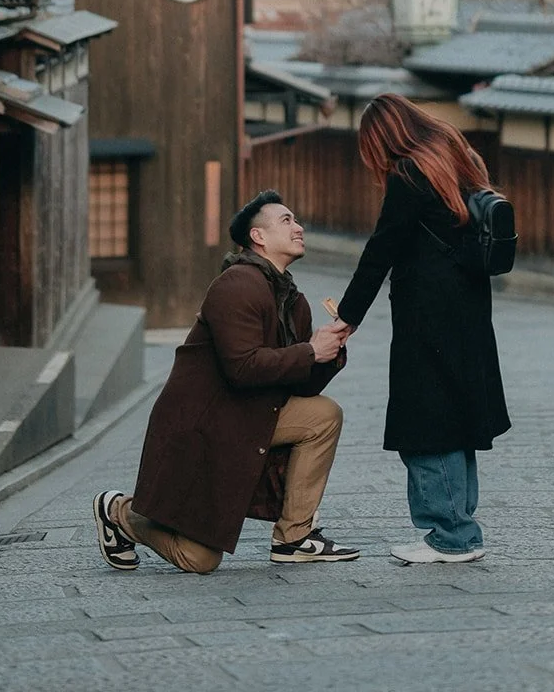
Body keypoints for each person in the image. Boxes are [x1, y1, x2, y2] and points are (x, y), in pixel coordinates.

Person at [94, 190, 359, 573]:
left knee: (322, 414)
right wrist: (308, 352)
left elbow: (299, 387)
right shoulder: (237, 285)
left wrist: (329, 352)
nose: (298, 227)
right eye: (286, 220)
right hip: (206, 427)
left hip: (251, 417)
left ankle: (294, 538)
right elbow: (243, 368)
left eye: (296, 220)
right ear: (259, 237)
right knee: (200, 560)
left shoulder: (293, 301)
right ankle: (120, 512)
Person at [332, 94, 510, 564]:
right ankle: (459, 528)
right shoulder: (457, 155)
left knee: (428, 421)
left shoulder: (410, 173)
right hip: (467, 311)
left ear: (384, 138)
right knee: (454, 418)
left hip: (428, 317)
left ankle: (452, 533)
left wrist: (346, 317)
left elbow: (381, 250)